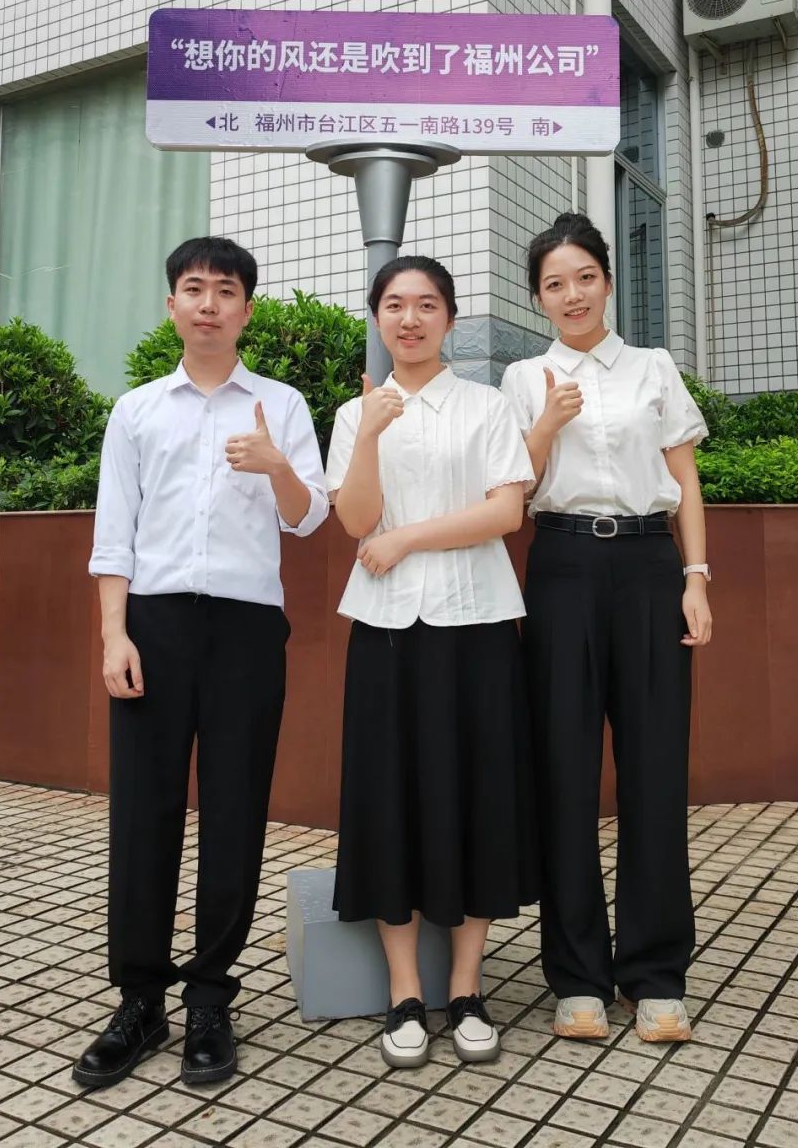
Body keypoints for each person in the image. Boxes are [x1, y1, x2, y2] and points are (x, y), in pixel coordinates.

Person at [74, 236, 328, 1090]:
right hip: (153, 624)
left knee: (235, 814)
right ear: (173, 305)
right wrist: (114, 635)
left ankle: (212, 999)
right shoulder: (137, 410)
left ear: (247, 310)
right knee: (142, 813)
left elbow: (307, 519)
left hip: (247, 629)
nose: (210, 303)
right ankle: (140, 1000)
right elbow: (114, 534)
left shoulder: (281, 404)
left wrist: (276, 465)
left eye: (225, 290)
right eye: (195, 288)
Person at [501, 212, 712, 1045]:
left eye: (584, 277)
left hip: (649, 567)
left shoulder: (654, 366)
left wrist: (696, 578)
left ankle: (656, 974)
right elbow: (514, 490)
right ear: (538, 298)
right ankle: (577, 977)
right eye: (554, 284)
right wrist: (546, 422)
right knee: (564, 771)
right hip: (560, 567)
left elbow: (683, 478)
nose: (572, 295)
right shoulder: (524, 377)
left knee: (656, 767)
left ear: (609, 282)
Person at [325, 255, 538, 1069]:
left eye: (425, 305)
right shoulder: (356, 414)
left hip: (477, 624)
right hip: (385, 630)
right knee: (390, 799)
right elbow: (355, 522)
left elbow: (506, 511)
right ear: (377, 317)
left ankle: (468, 988)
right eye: (394, 305)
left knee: (478, 793)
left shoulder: (487, 406)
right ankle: (406, 992)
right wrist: (370, 435)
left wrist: (409, 538)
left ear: (449, 318)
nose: (409, 319)